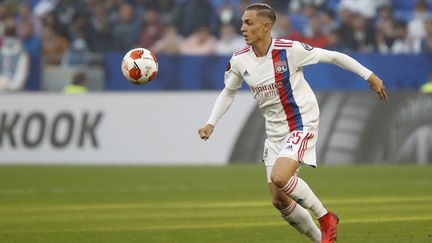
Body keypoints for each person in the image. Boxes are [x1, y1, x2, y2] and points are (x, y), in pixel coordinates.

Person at [198, 3, 388, 243]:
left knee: (281, 177)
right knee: (279, 200)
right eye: (243, 22)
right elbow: (228, 92)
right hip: (274, 131)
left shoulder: (289, 50)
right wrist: (211, 122)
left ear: (266, 26)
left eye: (249, 23)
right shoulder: (239, 60)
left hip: (301, 122)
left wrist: (369, 76)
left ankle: (326, 217)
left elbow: (332, 56)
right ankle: (320, 239)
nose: (242, 28)